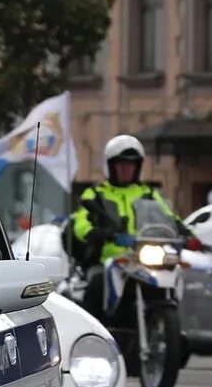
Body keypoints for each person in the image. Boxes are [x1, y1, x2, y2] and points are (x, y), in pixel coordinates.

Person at [69, 134, 187, 318]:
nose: (126, 169)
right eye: (121, 164)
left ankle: (169, 329)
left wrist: (189, 233)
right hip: (108, 260)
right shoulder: (95, 194)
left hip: (143, 258)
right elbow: (80, 221)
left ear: (138, 167)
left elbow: (170, 217)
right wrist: (96, 233)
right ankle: (92, 335)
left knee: (169, 279)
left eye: (131, 164)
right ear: (111, 166)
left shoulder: (149, 194)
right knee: (97, 285)